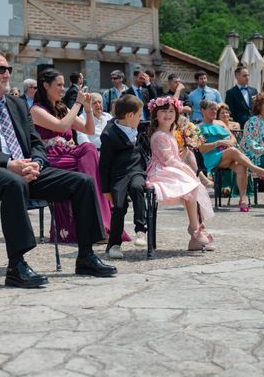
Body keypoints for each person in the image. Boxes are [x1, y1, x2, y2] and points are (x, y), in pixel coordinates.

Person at [0, 49, 116, 287]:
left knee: (83, 182)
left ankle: (86, 255)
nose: (7, 74)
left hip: (27, 169)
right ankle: (16, 265)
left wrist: (37, 162)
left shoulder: (17, 105)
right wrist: (10, 163)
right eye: (0, 69)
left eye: (8, 69)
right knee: (13, 182)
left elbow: (36, 143)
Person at [30, 68, 123, 243]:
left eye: (63, 85)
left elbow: (89, 130)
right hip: (51, 157)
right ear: (45, 85)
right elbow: (60, 126)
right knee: (88, 161)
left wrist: (87, 109)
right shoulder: (36, 110)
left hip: (68, 153)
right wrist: (77, 104)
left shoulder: (62, 107)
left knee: (88, 148)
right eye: (59, 85)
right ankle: (96, 225)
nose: (62, 89)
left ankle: (100, 223)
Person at [146, 96, 215, 251]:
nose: (168, 115)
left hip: (171, 168)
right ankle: (194, 229)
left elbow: (175, 158)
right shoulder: (158, 136)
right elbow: (168, 160)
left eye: (171, 111)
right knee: (190, 185)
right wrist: (187, 170)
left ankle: (195, 237)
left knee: (193, 186)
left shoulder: (170, 133)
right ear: (155, 115)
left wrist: (185, 153)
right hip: (161, 171)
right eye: (163, 111)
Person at [199, 99, 264, 212]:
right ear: (203, 110)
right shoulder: (199, 127)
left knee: (241, 165)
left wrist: (229, 142)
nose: (214, 111)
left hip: (228, 155)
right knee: (233, 151)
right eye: (211, 109)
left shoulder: (220, 123)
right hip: (212, 157)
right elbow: (202, 148)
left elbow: (233, 138)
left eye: (215, 109)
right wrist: (219, 143)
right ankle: (258, 170)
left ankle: (243, 200)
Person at [99, 95, 148, 258]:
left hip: (136, 169)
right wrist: (105, 189)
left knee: (137, 188)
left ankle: (141, 229)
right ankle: (114, 244)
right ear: (130, 116)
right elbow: (104, 163)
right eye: (140, 115)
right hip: (118, 173)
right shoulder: (109, 134)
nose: (141, 119)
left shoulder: (141, 128)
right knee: (119, 205)